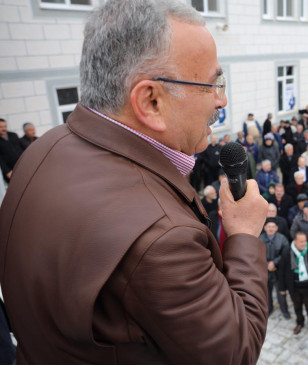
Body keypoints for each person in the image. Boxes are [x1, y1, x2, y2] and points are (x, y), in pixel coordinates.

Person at [0, 1, 272, 362]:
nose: (221, 99)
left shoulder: (42, 149)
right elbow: (235, 352)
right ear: (151, 101)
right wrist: (242, 235)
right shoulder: (164, 237)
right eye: (211, 84)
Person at [277, 231, 308, 338]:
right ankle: (300, 323)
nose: (303, 243)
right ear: (295, 241)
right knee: (297, 306)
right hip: (294, 286)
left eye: (305, 241)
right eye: (301, 241)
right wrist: (282, 288)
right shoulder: (287, 252)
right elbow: (282, 271)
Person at [260, 218, 290, 319]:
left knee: (281, 292)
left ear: (277, 228)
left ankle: (284, 310)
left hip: (278, 270)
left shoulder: (283, 239)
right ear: (265, 228)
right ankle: (269, 308)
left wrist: (274, 263)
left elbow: (286, 254)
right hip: (264, 270)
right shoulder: (259, 239)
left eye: (273, 227)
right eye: (269, 227)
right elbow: (256, 254)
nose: (271, 229)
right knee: (266, 292)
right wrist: (267, 263)